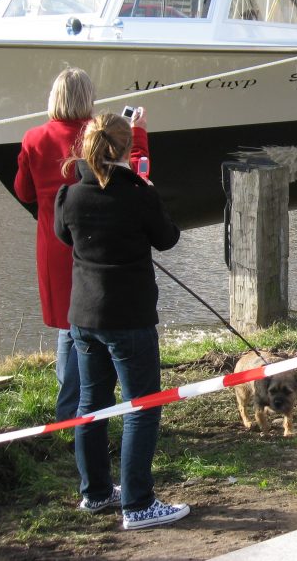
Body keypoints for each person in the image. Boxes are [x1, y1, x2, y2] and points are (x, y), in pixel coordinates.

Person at [54, 113, 187, 530]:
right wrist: (148, 191)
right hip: (128, 319)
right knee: (142, 407)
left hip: (83, 319)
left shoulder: (69, 195)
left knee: (91, 405)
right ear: (127, 150)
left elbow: (63, 235)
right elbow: (167, 237)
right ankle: (138, 504)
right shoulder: (137, 194)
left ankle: (94, 493)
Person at [14, 68, 148, 422]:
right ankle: (92, 408)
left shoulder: (33, 137)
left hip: (53, 241)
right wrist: (139, 135)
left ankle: (70, 409)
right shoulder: (95, 135)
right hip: (94, 242)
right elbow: (133, 176)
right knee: (95, 324)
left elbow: (24, 192)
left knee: (69, 327)